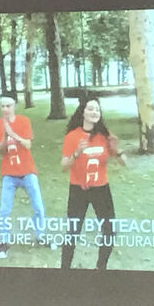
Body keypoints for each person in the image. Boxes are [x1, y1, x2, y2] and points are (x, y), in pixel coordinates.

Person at [60, 95, 126, 270]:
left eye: (97, 109)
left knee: (109, 231)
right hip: (78, 190)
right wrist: (77, 153)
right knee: (73, 231)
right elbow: (63, 167)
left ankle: (100, 267)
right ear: (82, 112)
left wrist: (117, 150)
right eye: (90, 109)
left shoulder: (105, 136)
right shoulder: (72, 136)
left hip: (101, 189)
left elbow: (124, 162)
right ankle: (64, 269)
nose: (94, 112)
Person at [0, 90, 52, 259]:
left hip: (27, 171)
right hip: (9, 174)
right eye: (2, 106)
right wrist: (4, 135)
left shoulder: (24, 121)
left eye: (8, 106)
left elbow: (28, 145)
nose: (5, 109)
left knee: (38, 207)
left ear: (14, 106)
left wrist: (13, 135)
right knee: (4, 210)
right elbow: (1, 150)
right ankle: (3, 242)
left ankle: (40, 236)